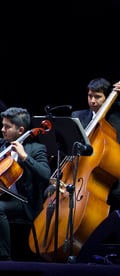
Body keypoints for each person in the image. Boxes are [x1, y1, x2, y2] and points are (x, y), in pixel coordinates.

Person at [71, 77, 120, 211]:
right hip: (91, 171)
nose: (92, 101)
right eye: (90, 96)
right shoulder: (78, 116)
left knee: (116, 195)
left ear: (108, 97)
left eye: (98, 97)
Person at [0, 107, 51, 260]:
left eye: (7, 127)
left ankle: (4, 257)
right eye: (2, 125)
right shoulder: (2, 146)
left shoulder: (35, 149)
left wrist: (24, 157)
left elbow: (46, 174)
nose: (2, 130)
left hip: (23, 202)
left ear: (21, 130)